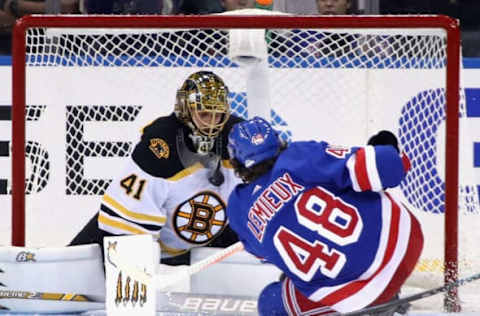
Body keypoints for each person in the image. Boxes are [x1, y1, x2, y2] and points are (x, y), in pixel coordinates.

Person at [225, 117, 423, 315]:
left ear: (235, 162)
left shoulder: (238, 210)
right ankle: (388, 295)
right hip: (405, 246)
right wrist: (384, 147)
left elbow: (265, 255)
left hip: (358, 296)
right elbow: (391, 168)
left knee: (272, 301)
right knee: (360, 180)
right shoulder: (298, 156)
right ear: (278, 142)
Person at [70, 71, 243, 266]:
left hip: (201, 247)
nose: (211, 123)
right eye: (204, 114)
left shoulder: (238, 136)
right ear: (186, 110)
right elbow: (127, 233)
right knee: (76, 273)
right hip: (134, 236)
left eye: (216, 115)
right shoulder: (162, 145)